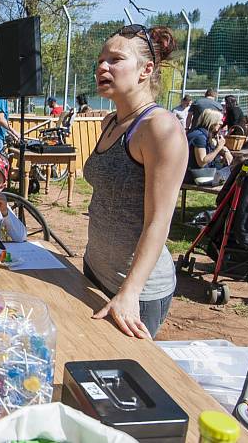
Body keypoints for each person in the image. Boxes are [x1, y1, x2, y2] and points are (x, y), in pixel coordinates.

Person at [84, 24, 186, 339]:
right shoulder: (110, 121)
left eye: (115, 59)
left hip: (135, 291)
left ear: (146, 69)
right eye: (101, 59)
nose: (102, 66)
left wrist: (129, 292)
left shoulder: (159, 129)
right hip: (95, 269)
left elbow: (159, 221)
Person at [185, 108, 234, 183]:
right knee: (234, 171)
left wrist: (225, 151)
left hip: (197, 173)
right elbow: (202, 162)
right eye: (219, 120)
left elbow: (212, 147)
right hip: (196, 176)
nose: (221, 123)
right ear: (212, 121)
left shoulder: (202, 133)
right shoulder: (200, 137)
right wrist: (218, 148)